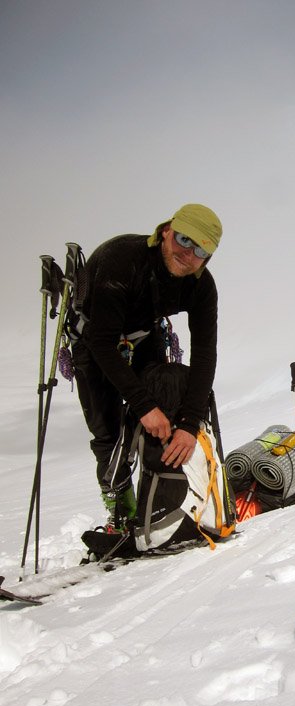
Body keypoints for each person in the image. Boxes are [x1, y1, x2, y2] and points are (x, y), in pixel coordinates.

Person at [69, 204, 222, 529]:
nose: (189, 253)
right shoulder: (122, 261)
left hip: (143, 338)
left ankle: (162, 504)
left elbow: (206, 353)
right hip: (96, 340)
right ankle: (121, 510)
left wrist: (189, 424)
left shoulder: (201, 286)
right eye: (184, 239)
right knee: (107, 431)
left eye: (201, 250)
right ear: (166, 231)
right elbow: (102, 343)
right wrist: (143, 405)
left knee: (167, 403)